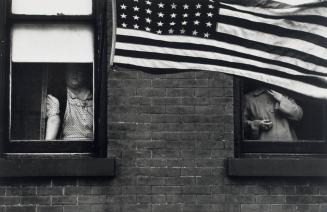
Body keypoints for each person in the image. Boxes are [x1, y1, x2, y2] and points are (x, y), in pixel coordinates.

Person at [45, 66, 93, 140]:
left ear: (84, 74)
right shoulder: (58, 96)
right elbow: (53, 121)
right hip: (69, 146)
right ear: (65, 73)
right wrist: (47, 147)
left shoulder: (93, 97)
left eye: (78, 70)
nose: (75, 73)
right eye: (71, 69)